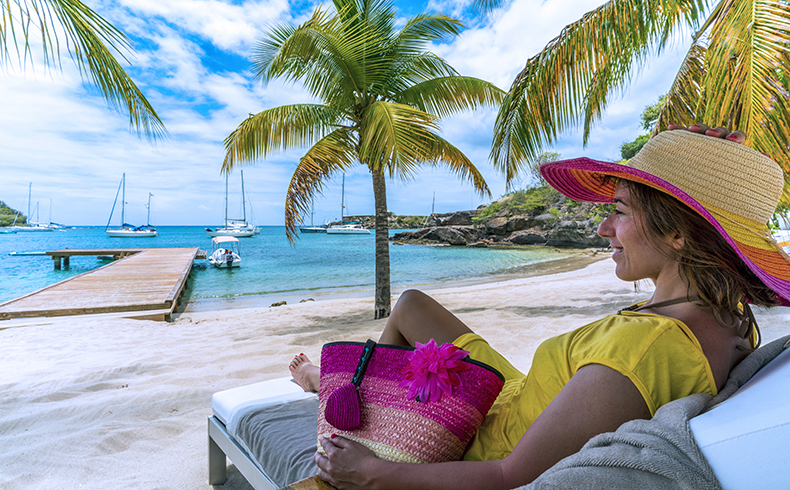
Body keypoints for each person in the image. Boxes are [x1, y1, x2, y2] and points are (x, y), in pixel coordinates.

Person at [288, 124, 790, 489]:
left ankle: (339, 393)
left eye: (618, 212)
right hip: (516, 391)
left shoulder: (647, 346)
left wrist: (377, 474)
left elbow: (510, 475)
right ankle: (343, 384)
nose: (602, 229)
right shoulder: (728, 320)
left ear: (678, 233)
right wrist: (698, 160)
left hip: (486, 428)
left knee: (408, 313)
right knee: (413, 303)